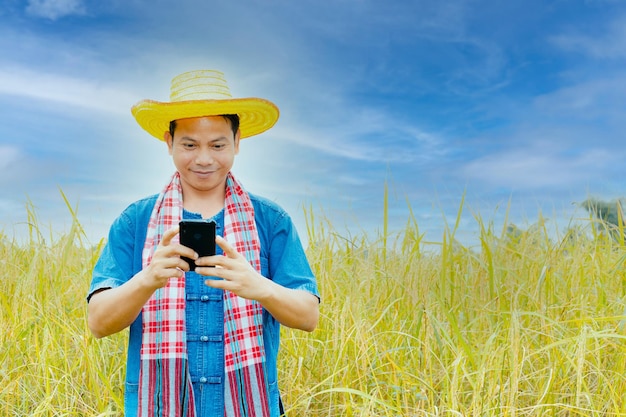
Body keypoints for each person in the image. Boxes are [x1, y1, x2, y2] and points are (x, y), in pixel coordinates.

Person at [87, 69, 320, 417]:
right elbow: (98, 323)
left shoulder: (270, 220)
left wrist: (258, 286)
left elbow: (308, 316)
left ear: (237, 142)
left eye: (218, 144)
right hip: (157, 405)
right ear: (169, 143)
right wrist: (148, 278)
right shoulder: (136, 221)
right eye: (190, 144)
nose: (204, 159)